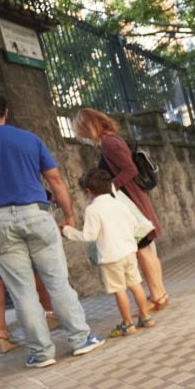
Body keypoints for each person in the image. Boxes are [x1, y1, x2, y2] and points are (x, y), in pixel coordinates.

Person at [0, 88, 104, 368]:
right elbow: (55, 180)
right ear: (5, 112)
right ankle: (80, 340)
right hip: (36, 214)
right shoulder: (28, 139)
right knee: (56, 281)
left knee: (21, 290)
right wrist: (69, 215)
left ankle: (41, 354)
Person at [72, 107, 169, 310]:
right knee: (146, 249)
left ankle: (158, 296)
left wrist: (111, 189)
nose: (82, 137)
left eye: (81, 131)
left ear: (89, 127)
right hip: (134, 200)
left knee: (143, 250)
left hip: (131, 201)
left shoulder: (108, 142)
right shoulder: (111, 139)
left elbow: (130, 169)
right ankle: (159, 294)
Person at [63, 169, 155, 337]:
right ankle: (146, 317)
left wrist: (68, 231)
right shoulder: (119, 203)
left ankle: (128, 324)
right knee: (136, 285)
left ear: (88, 191)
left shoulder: (93, 210)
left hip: (111, 257)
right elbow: (134, 224)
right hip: (129, 252)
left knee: (119, 290)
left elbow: (88, 235)